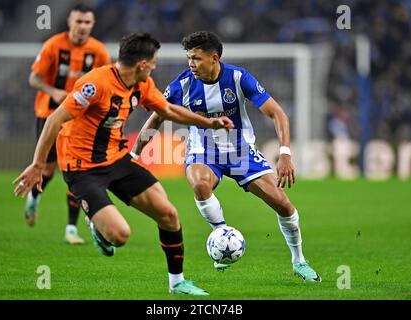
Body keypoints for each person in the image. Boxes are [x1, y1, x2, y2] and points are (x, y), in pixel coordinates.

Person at [13, 32, 233, 295]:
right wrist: (38, 164)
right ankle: (94, 220)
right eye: (152, 62)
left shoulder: (142, 84)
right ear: (142, 64)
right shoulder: (95, 84)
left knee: (169, 215)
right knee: (120, 235)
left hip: (117, 158)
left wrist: (209, 123)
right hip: (81, 166)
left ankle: (177, 284)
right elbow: (54, 120)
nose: (154, 66)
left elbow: (168, 110)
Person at [131, 31, 321, 282]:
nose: (191, 64)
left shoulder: (239, 78)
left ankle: (299, 261)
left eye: (196, 59)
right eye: (189, 58)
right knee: (200, 183)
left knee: (283, 204)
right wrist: (134, 154)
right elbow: (156, 118)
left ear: (214, 58)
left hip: (240, 151)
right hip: (203, 150)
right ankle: (223, 237)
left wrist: (285, 153)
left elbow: (277, 114)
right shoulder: (183, 84)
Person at [27, 4, 111, 244]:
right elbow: (34, 77)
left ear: (92, 25)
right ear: (70, 23)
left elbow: (107, 80)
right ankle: (33, 198)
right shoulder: (54, 45)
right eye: (79, 22)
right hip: (50, 114)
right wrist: (52, 91)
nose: (83, 27)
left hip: (79, 119)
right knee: (48, 170)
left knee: (76, 169)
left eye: (87, 23)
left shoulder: (98, 50)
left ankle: (71, 228)